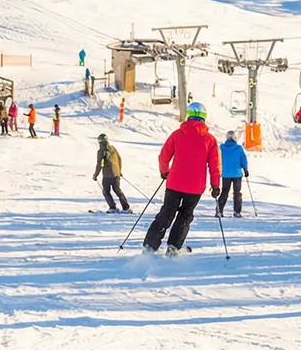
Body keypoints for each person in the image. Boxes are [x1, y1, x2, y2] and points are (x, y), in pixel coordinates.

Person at [143, 102, 220, 256]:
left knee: (167, 213)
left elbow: (164, 156)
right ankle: (173, 247)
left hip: (174, 183)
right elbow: (215, 165)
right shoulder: (210, 140)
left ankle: (150, 245)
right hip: (195, 187)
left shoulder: (177, 135)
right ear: (204, 117)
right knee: (185, 215)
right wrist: (215, 185)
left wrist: (165, 171)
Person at [93, 133, 131, 212]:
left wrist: (95, 175)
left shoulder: (101, 151)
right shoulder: (113, 148)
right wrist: (119, 171)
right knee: (117, 190)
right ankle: (126, 207)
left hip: (107, 175)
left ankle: (112, 207)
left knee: (106, 191)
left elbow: (99, 164)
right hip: (116, 174)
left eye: (99, 140)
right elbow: (119, 159)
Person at [217, 130, 248, 217]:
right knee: (237, 192)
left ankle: (219, 211)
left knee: (224, 191)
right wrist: (245, 169)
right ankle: (237, 211)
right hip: (237, 174)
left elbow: (218, 158)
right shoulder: (238, 148)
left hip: (225, 174)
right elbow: (243, 159)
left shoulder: (222, 147)